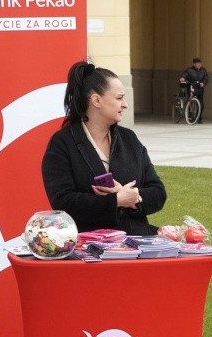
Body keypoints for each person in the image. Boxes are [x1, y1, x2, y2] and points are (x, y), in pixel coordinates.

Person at [42, 60, 167, 234]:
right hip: (88, 245)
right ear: (96, 100)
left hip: (135, 243)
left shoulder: (129, 139)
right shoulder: (62, 143)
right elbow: (63, 202)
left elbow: (158, 193)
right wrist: (115, 200)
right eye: (119, 98)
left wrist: (135, 197)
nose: (125, 104)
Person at [180, 57, 210, 122]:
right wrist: (182, 78)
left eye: (200, 63)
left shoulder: (203, 70)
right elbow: (184, 75)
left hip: (199, 88)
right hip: (191, 87)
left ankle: (199, 117)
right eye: (198, 63)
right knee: (190, 102)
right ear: (194, 64)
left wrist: (203, 83)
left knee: (201, 104)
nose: (199, 64)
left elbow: (206, 78)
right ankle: (190, 117)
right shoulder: (189, 70)